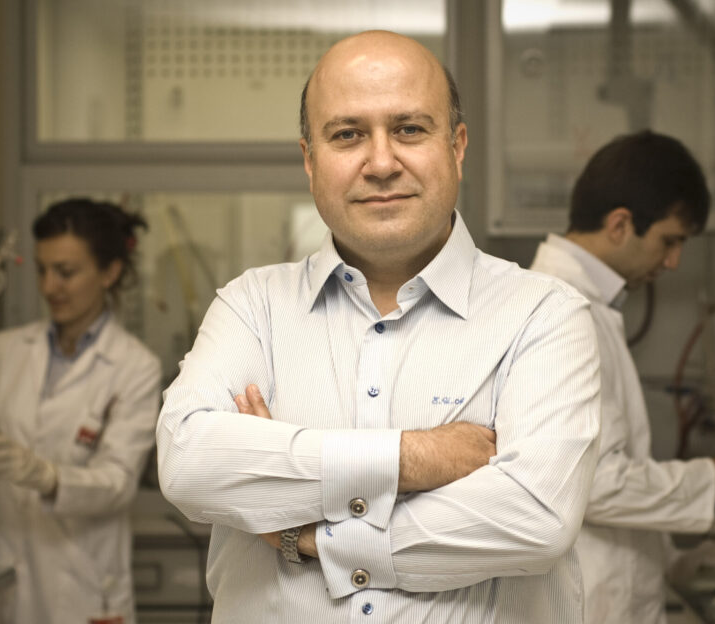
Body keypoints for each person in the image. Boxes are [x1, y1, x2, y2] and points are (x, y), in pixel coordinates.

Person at [156, 30, 603, 622]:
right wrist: (413, 460)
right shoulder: (252, 307)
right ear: (310, 160)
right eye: (348, 135)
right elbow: (190, 463)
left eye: (410, 129)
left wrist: (309, 534)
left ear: (458, 146)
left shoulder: (544, 314)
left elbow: (535, 517)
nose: (383, 162)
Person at [527, 130, 715, 623]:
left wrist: (671, 560)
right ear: (620, 224)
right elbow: (594, 486)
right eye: (670, 241)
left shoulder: (587, 307)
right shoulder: (559, 310)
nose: (674, 261)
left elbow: (608, 467)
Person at [0, 198, 162, 624]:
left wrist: (44, 476)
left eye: (66, 272)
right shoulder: (6, 350)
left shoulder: (135, 367)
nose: (49, 287)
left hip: (82, 586)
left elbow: (117, 483)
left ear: (109, 272)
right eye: (42, 270)